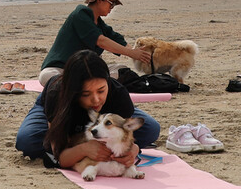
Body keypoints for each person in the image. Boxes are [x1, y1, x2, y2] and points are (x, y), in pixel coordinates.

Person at [16, 50, 161, 168]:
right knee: (28, 142)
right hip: (55, 107)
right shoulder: (58, 94)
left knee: (150, 129)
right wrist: (83, 149)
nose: (96, 100)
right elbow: (59, 155)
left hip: (107, 119)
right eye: (86, 94)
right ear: (74, 91)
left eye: (101, 90)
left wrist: (134, 149)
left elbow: (128, 137)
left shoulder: (118, 93)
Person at [38, 0, 151, 87]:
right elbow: (101, 41)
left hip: (83, 72)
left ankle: (85, 84)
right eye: (111, 4)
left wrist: (137, 54)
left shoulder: (98, 22)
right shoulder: (80, 14)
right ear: (99, 0)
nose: (111, 8)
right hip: (60, 69)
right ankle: (86, 84)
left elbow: (116, 39)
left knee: (122, 69)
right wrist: (131, 53)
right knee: (47, 76)